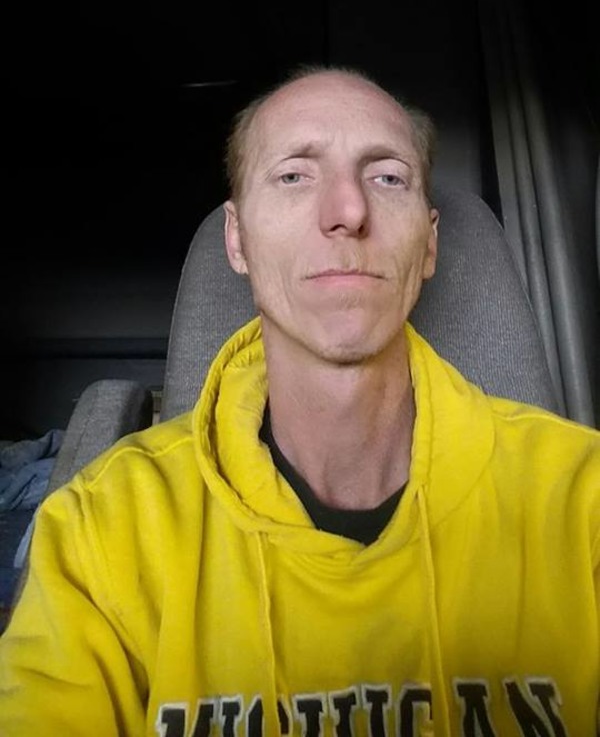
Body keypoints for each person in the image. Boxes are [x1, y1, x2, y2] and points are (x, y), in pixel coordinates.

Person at [1, 64, 600, 736]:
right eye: (293, 175)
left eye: (387, 177)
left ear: (430, 242)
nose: (348, 211)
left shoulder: (584, 497)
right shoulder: (103, 527)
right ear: (237, 240)